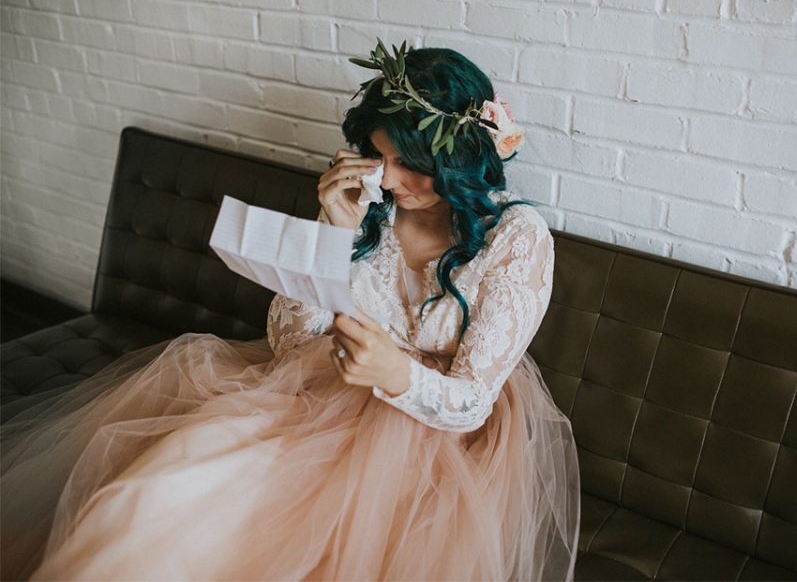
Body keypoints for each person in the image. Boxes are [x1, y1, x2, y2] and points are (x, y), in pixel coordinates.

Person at [1, 40, 580, 581]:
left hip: (436, 436)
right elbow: (291, 343)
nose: (391, 179)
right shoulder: (367, 205)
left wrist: (396, 374)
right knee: (155, 494)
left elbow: (473, 401)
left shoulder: (515, 237)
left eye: (411, 163)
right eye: (380, 157)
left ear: (459, 157)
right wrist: (334, 231)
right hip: (313, 391)